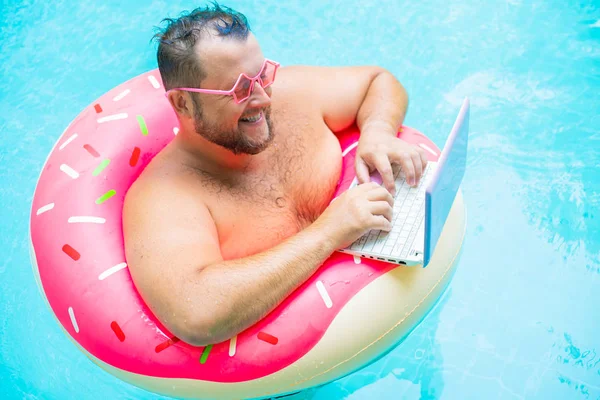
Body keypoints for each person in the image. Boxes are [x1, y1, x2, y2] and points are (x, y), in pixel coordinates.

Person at [122, 3, 428, 347]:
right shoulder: (165, 197)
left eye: (262, 74)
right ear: (182, 104)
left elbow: (378, 81)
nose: (263, 98)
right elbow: (197, 316)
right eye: (239, 89)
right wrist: (328, 232)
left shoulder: (294, 95)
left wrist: (377, 130)